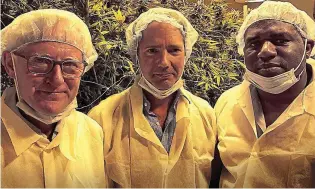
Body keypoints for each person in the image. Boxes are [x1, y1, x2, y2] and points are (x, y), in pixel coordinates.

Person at [88, 7, 216, 188]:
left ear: (185, 54)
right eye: (152, 51)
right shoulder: (103, 116)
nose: (164, 62)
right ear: (136, 54)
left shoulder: (205, 115)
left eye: (174, 50)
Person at [214, 1, 315, 187]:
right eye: (253, 43)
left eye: (280, 40)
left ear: (308, 48)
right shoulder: (227, 102)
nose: (265, 52)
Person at [1, 9, 106, 188]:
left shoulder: (91, 132)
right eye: (41, 62)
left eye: (70, 65)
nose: (56, 79)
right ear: (10, 64)